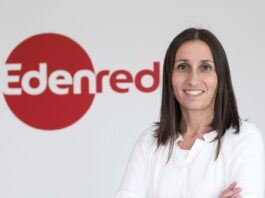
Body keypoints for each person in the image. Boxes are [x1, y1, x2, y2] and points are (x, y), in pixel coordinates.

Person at [115, 28, 265, 198]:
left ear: (220, 77)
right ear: (169, 76)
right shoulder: (149, 141)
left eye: (205, 67)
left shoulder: (244, 138)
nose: (193, 80)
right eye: (183, 67)